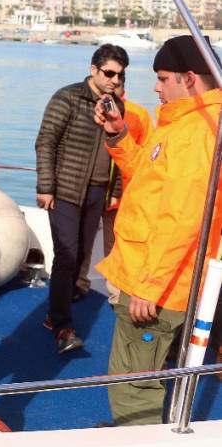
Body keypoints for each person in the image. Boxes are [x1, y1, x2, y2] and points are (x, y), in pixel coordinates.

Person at [94, 35, 222, 426]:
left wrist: (150, 285)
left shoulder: (197, 132)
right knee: (140, 375)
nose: (155, 87)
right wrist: (119, 136)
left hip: (159, 282)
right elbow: (150, 182)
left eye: (163, 78)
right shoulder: (185, 124)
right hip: (159, 275)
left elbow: (183, 218)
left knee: (135, 383)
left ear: (189, 79)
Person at [35, 44, 129, 354]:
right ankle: (61, 325)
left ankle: (62, 301)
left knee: (82, 256)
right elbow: (46, 141)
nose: (115, 80)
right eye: (109, 73)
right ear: (94, 70)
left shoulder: (117, 107)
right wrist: (46, 186)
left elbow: (117, 151)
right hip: (65, 190)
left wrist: (114, 191)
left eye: (120, 74)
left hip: (97, 192)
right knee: (67, 254)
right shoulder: (68, 97)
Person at [75, 76, 153, 301]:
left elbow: (146, 157)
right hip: (90, 190)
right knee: (82, 242)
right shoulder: (92, 111)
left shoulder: (138, 114)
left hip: (123, 197)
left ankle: (116, 295)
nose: (111, 89)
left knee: (116, 248)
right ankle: (79, 285)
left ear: (123, 86)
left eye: (116, 85)